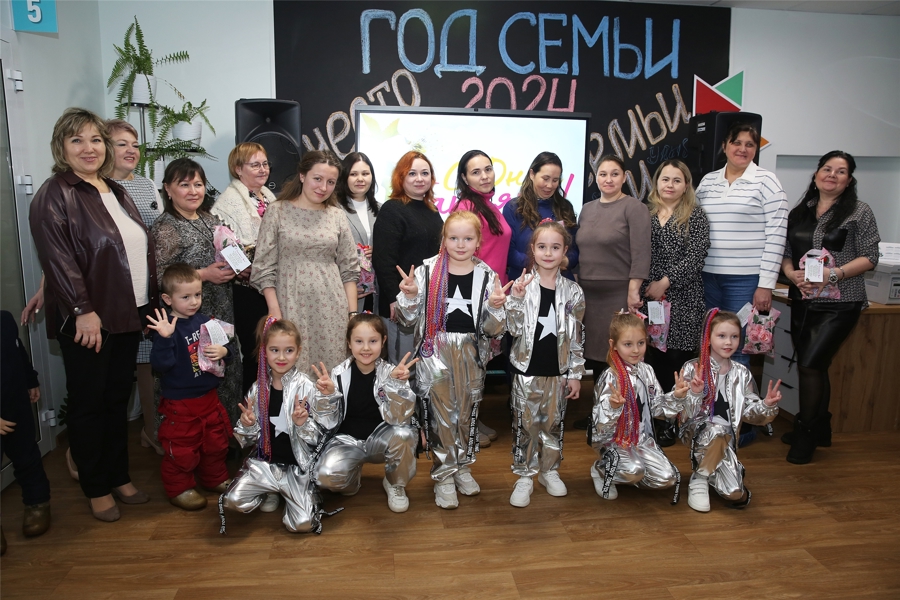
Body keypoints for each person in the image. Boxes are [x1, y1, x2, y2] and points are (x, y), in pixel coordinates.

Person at [29, 107, 155, 522]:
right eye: (77, 140)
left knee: (117, 400)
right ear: (61, 147)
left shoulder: (115, 190)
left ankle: (118, 476)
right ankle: (96, 485)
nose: (89, 148)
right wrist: (83, 310)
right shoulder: (55, 194)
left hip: (127, 312)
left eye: (96, 140)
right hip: (90, 319)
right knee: (89, 404)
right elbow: (59, 260)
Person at [396, 211, 509, 509]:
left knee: (467, 413)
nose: (460, 244)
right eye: (454, 238)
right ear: (443, 239)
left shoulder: (487, 275)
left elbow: (494, 329)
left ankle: (462, 466)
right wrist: (410, 296)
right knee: (441, 414)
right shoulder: (426, 271)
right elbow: (407, 320)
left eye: (468, 238)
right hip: (435, 351)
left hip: (471, 352)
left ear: (478, 241)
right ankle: (444, 474)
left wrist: (496, 307)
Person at [780, 151, 880, 464]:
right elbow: (785, 252)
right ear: (816, 174)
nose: (832, 175)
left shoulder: (859, 211)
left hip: (840, 303)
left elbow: (870, 257)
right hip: (804, 300)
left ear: (849, 180)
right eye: (827, 169)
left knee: (810, 365)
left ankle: (806, 433)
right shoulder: (801, 211)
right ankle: (821, 428)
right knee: (815, 365)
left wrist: (832, 274)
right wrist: (791, 275)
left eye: (841, 171)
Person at [223, 317, 339, 533]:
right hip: (265, 465)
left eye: (289, 350)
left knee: (303, 524)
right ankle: (269, 490)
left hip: (297, 467)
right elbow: (247, 440)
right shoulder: (257, 389)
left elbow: (323, 435)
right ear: (264, 351)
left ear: (298, 351)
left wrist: (303, 424)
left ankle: (295, 494)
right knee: (232, 501)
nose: (282, 357)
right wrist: (248, 425)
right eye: (275, 350)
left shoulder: (307, 387)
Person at [251, 150, 359, 375]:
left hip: (332, 307)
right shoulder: (277, 211)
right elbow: (263, 267)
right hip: (289, 304)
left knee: (330, 373)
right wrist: (274, 310)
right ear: (302, 176)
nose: (323, 187)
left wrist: (352, 315)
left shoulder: (337, 215)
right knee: (291, 373)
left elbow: (349, 269)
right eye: (317, 179)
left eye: (330, 182)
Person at [151, 159, 242, 424]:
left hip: (219, 309)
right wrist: (204, 275)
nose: (193, 191)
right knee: (193, 373)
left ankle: (223, 432)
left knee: (223, 365)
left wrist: (238, 265)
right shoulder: (166, 227)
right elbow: (159, 277)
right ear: (168, 189)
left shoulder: (208, 219)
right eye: (184, 185)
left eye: (198, 184)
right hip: (187, 320)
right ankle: (187, 436)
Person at [505, 220, 585, 507]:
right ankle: (525, 474)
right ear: (533, 249)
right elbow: (512, 329)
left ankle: (549, 470)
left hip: (558, 371)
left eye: (555, 247)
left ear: (565, 251)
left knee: (552, 424)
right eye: (542, 247)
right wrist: (515, 301)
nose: (548, 253)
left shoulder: (573, 292)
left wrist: (575, 373)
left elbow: (577, 336)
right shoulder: (522, 287)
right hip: (526, 370)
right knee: (526, 425)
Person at [695, 122, 788, 367]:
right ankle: (708, 392)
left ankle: (734, 393)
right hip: (707, 277)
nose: (743, 149)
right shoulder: (708, 181)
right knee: (708, 343)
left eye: (749, 144)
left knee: (734, 346)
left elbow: (777, 235)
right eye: (736, 142)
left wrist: (766, 284)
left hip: (745, 280)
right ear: (724, 146)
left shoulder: (767, 181)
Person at [147, 264, 236, 510]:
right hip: (181, 403)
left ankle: (214, 478)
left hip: (209, 398)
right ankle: (180, 488)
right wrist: (164, 338)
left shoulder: (206, 321)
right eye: (185, 297)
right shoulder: (166, 328)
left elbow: (229, 349)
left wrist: (224, 351)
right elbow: (160, 365)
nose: (194, 301)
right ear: (168, 299)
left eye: (197, 294)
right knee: (182, 449)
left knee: (215, 443)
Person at [574, 155, 651, 430]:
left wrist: (633, 290)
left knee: (617, 357)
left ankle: (622, 416)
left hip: (618, 294)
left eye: (614, 174)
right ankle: (600, 413)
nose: (608, 179)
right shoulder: (586, 209)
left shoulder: (634, 208)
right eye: (603, 174)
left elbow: (641, 253)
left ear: (624, 177)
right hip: (588, 295)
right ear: (596, 178)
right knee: (596, 356)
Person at [678, 309, 782, 512]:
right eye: (721, 336)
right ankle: (700, 477)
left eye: (734, 337)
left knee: (734, 493)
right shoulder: (692, 368)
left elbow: (750, 413)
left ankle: (714, 466)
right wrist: (695, 393)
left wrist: (766, 405)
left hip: (728, 440)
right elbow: (683, 412)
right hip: (698, 433)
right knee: (717, 431)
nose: (728, 342)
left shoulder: (742, 373)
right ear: (708, 338)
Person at [314, 314, 419, 513]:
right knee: (324, 477)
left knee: (405, 435)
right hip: (347, 441)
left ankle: (395, 483)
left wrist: (395, 385)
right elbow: (327, 423)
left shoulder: (392, 372)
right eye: (359, 341)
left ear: (383, 341)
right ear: (349, 343)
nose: (366, 348)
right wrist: (328, 396)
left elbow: (401, 418)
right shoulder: (337, 374)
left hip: (381, 439)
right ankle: (351, 479)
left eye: (373, 341)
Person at [641, 160, 710, 446]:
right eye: (665, 179)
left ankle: (673, 420)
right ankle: (655, 417)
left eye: (677, 180)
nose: (670, 185)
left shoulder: (695, 215)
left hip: (683, 298)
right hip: (650, 300)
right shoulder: (645, 213)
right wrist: (647, 287)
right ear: (656, 183)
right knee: (652, 359)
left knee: (676, 360)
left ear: (686, 185)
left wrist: (665, 282)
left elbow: (696, 257)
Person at [107, 118, 165, 455]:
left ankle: (151, 430)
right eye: (122, 144)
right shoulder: (97, 187)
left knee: (147, 360)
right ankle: (84, 450)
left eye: (135, 144)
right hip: (112, 291)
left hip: (147, 289)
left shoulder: (146, 185)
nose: (131, 150)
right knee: (108, 375)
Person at [588, 312, 687, 502]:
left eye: (641, 343)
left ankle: (631, 471)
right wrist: (613, 407)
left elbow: (656, 408)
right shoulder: (610, 376)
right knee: (633, 471)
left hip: (642, 439)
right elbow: (598, 425)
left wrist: (675, 397)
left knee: (667, 478)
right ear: (613, 345)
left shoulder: (647, 371)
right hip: (614, 440)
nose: (635, 350)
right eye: (628, 344)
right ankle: (601, 469)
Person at [453, 149, 513, 446]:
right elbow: (457, 253)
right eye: (476, 172)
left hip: (492, 299)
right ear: (465, 178)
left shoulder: (489, 205)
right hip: (475, 298)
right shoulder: (466, 207)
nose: (484, 176)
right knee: (469, 367)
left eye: (488, 169)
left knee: (479, 367)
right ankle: (463, 428)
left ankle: (472, 419)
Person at [211, 143, 278, 395]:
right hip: (247, 290)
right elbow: (221, 239)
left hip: (272, 284)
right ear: (238, 169)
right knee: (255, 352)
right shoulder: (228, 202)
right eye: (255, 165)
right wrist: (242, 266)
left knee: (274, 348)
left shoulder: (269, 197)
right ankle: (252, 409)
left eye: (265, 164)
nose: (262, 169)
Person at [371, 151, 444, 365]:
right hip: (401, 304)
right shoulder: (392, 209)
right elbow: (383, 260)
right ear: (401, 178)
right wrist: (394, 299)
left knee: (424, 364)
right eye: (412, 173)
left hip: (427, 302)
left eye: (425, 173)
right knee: (403, 365)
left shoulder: (432, 210)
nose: (419, 179)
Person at [1, 310, 51, 548]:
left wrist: (31, 380)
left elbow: (18, 352)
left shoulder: (4, 320)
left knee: (27, 457)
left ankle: (37, 503)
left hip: (16, 405)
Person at [502, 152, 578, 282]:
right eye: (545, 178)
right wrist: (541, 263)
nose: (549, 185)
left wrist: (565, 261)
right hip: (524, 284)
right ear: (532, 174)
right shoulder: (513, 208)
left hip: (560, 284)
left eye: (555, 180)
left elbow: (574, 251)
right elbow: (509, 252)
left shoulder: (565, 208)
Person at [335, 152, 380, 314]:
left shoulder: (382, 209)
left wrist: (378, 251)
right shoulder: (333, 209)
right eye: (353, 174)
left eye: (365, 174)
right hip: (344, 288)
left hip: (375, 291)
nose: (360, 179)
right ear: (344, 177)